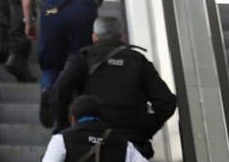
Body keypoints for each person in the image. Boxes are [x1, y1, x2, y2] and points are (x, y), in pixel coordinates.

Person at [51, 11, 177, 150]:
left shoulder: (82, 59)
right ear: (123, 37)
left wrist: (64, 126)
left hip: (88, 139)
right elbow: (167, 102)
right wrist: (144, 129)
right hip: (129, 142)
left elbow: (60, 89)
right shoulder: (138, 61)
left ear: (94, 37)